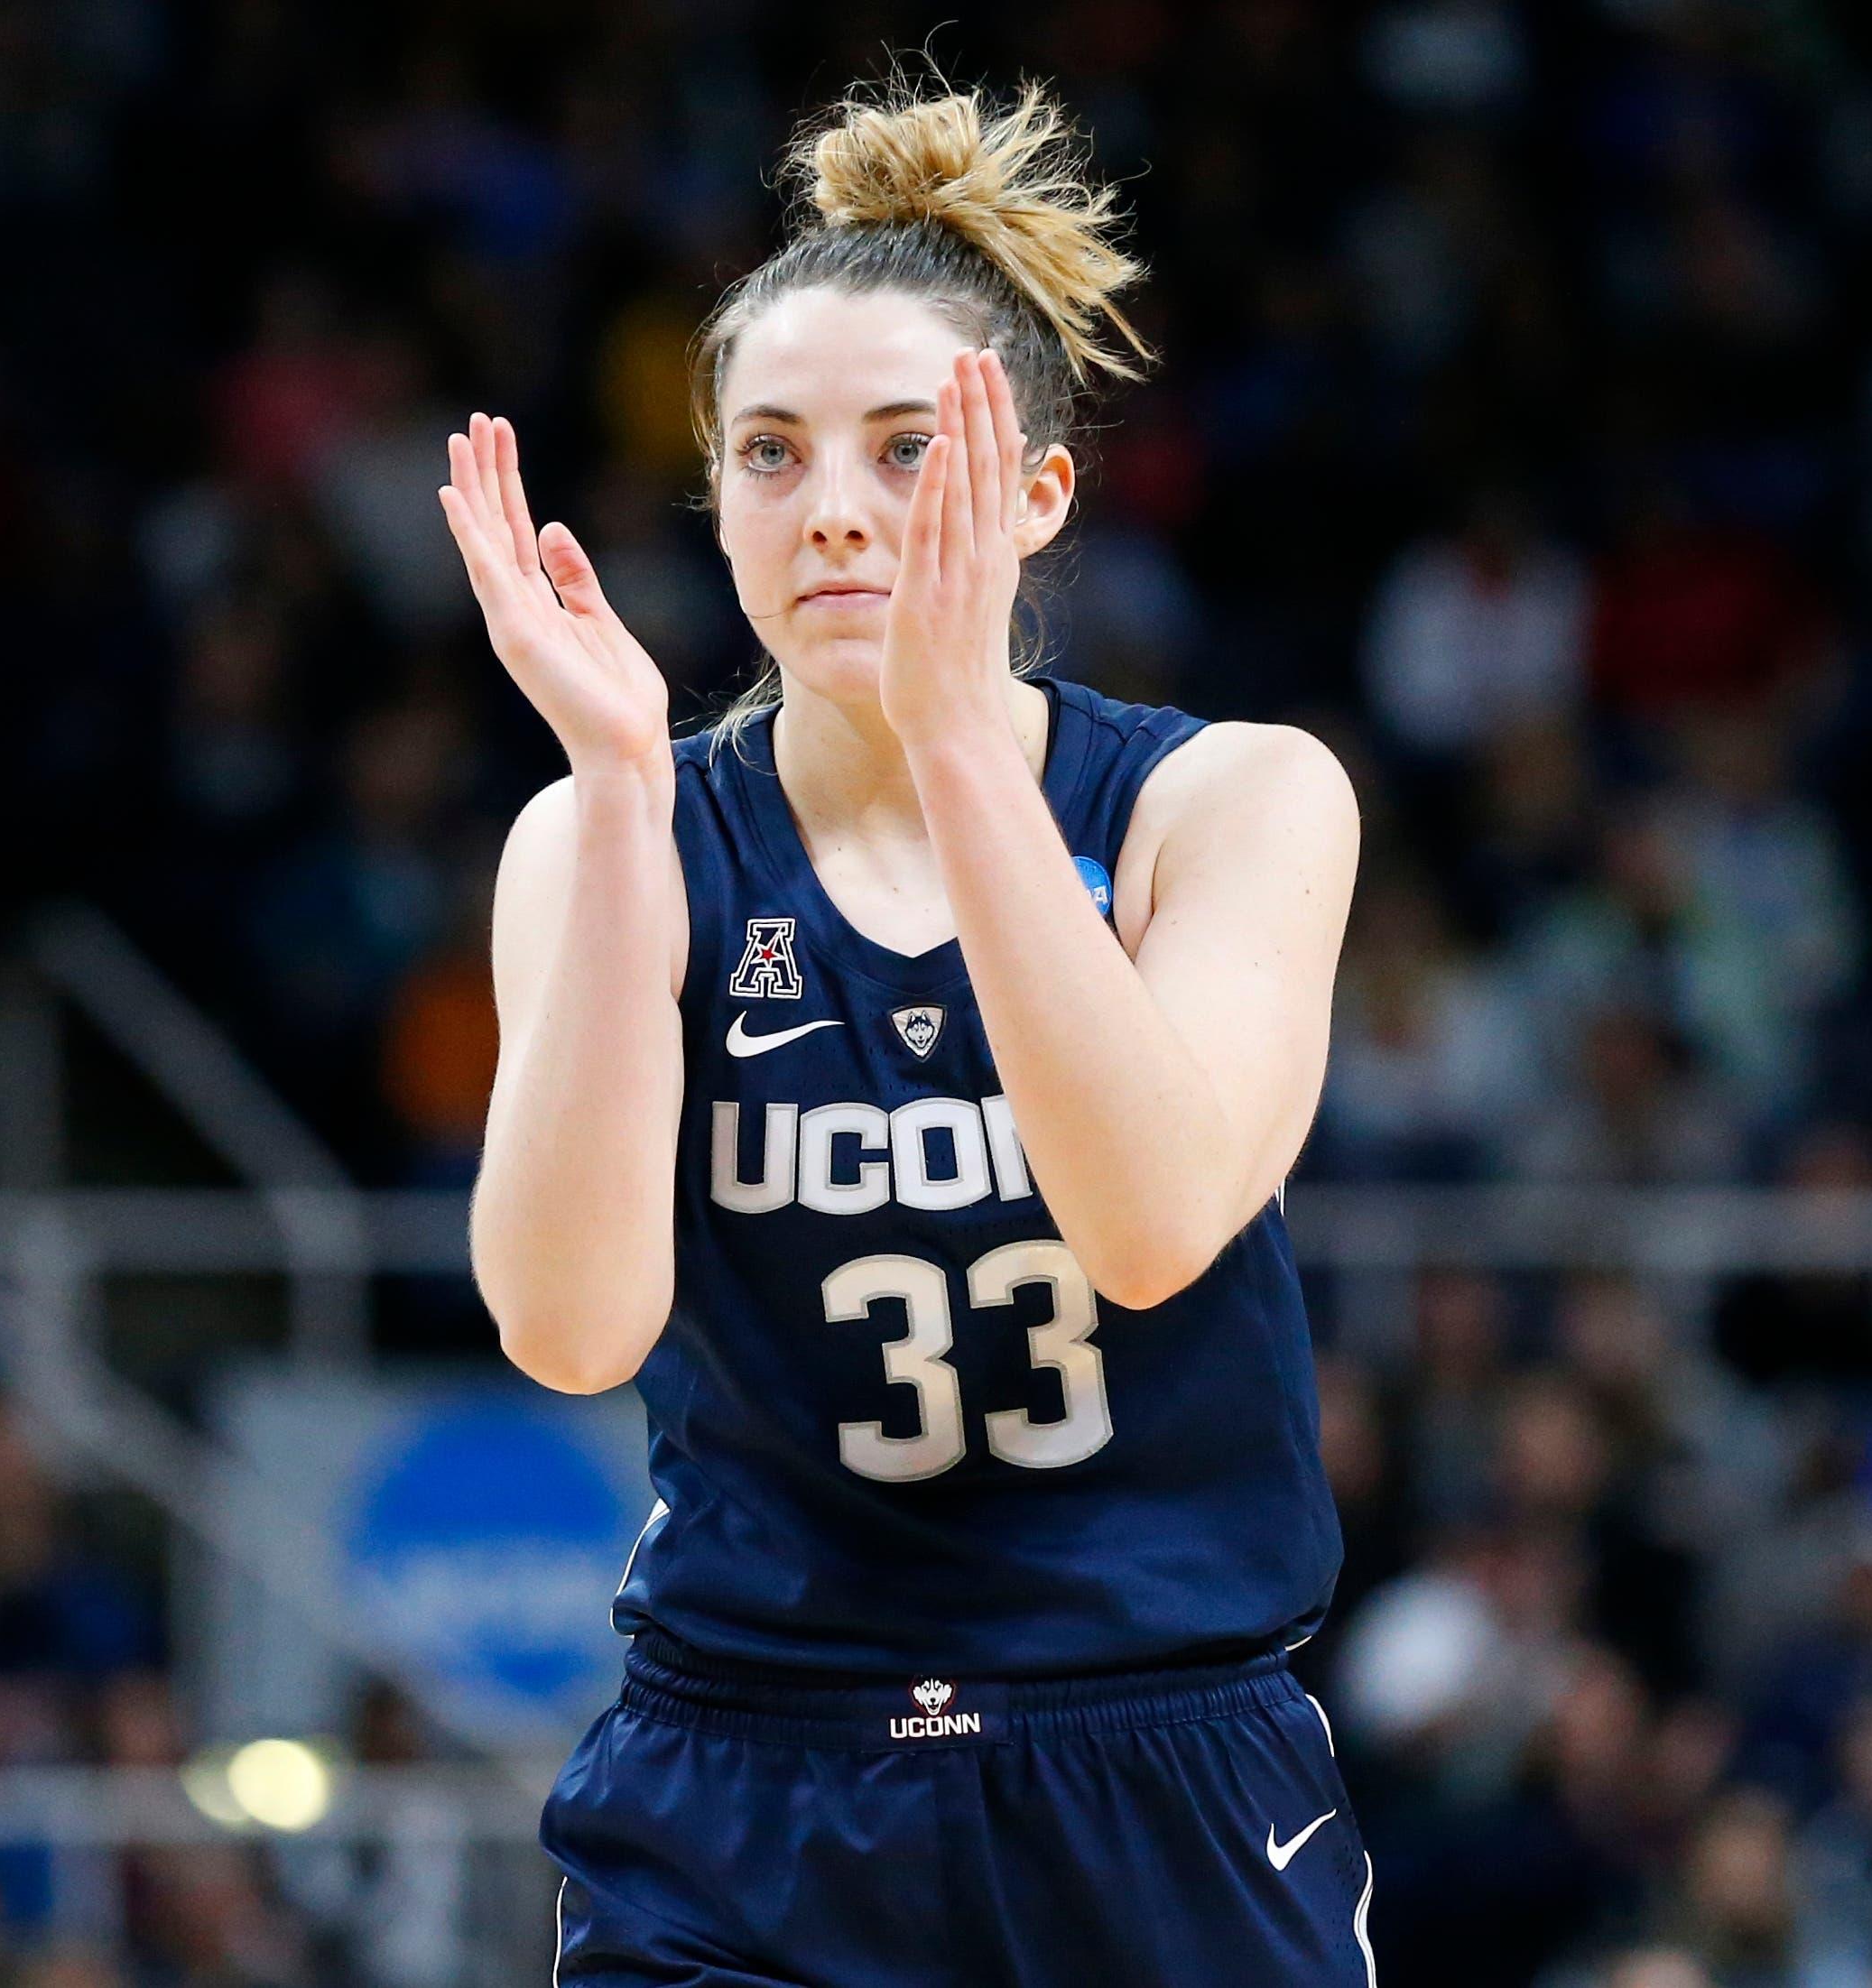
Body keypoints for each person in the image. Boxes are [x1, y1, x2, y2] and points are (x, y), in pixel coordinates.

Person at [446, 79, 1368, 1987]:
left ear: (1035, 494)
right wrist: (616, 795)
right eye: (769, 455)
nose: (836, 511)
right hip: (745, 1777)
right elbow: (565, 1324)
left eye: (900, 451)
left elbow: (1149, 1223)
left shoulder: (1235, 803)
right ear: (712, 500)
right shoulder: (610, 833)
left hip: (1157, 1756)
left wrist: (957, 742)